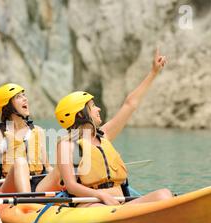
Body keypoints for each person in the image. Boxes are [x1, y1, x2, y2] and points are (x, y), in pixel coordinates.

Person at [54, 48, 173, 207]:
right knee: (99, 208)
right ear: (80, 115)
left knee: (164, 194)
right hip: (91, 205)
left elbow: (130, 104)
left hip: (119, 203)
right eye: (92, 106)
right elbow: (71, 185)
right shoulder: (66, 146)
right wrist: (101, 196)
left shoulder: (104, 135)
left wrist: (153, 72)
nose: (98, 109)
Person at [0, 83, 60, 193]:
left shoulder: (38, 131)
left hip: (37, 186)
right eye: (18, 97)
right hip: (9, 187)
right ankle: (28, 201)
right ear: (7, 106)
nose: (25, 99)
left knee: (63, 167)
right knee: (20, 162)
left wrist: (60, 174)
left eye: (24, 95)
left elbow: (47, 166)